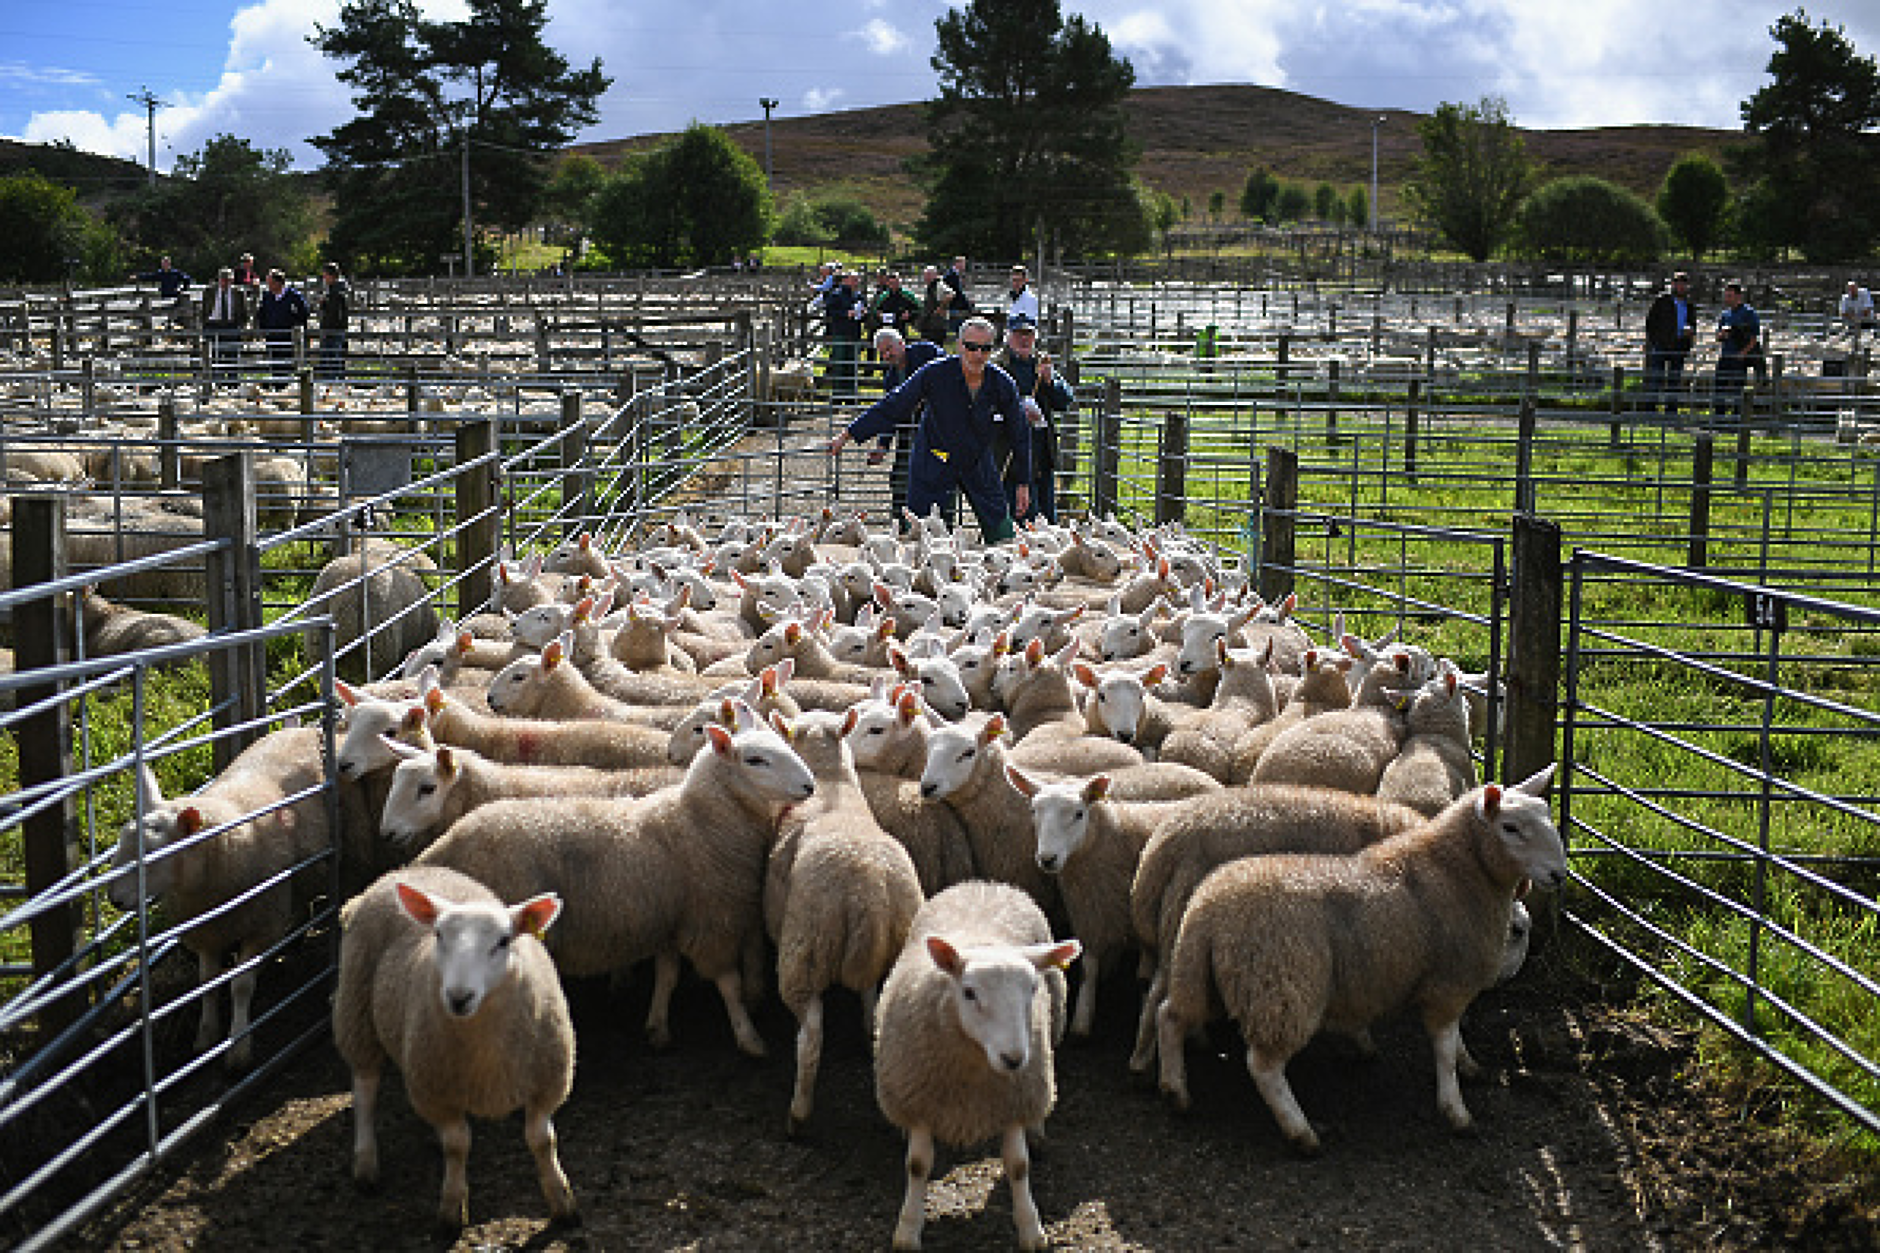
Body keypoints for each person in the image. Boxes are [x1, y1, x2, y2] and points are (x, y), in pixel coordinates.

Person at [828, 316, 1028, 541]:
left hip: (976, 458)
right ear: (960, 345)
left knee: (1001, 529)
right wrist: (847, 434)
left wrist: (1023, 482)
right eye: (972, 347)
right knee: (922, 530)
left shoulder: (1002, 383)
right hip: (934, 457)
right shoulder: (935, 373)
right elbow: (895, 403)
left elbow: (1019, 432)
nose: (978, 355)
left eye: (985, 348)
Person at [994, 312, 1073, 523]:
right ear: (1008, 336)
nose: (1024, 339)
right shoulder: (998, 366)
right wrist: (1015, 412)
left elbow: (1065, 400)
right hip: (1009, 452)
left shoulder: (1042, 364)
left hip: (1040, 451)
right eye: (1019, 334)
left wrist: (1050, 382)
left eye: (1028, 334)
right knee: (1016, 514)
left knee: (1046, 518)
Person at [865, 327, 944, 525]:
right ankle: (901, 523)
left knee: (937, 474)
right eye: (882, 352)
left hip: (938, 428)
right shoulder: (891, 378)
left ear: (902, 344)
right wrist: (882, 445)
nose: (887, 355)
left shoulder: (926, 352)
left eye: (889, 349)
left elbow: (947, 371)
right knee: (901, 475)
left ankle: (939, 522)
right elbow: (890, 411)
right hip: (909, 431)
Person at [1642, 271, 1697, 413]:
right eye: (1678, 284)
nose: (1681, 287)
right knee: (1656, 378)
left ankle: (1671, 410)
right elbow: (1650, 322)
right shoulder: (1662, 300)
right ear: (1673, 284)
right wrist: (1655, 341)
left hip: (1679, 344)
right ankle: (1650, 410)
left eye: (1683, 284)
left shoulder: (1689, 304)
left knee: (1675, 380)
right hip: (1661, 344)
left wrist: (1690, 335)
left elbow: (1693, 323)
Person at [254, 268, 310, 382]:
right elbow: (261, 314)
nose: (269, 286)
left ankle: (287, 385)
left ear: (278, 283)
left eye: (271, 283)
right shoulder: (267, 296)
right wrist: (263, 329)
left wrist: (295, 324)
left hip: (288, 336)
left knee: (288, 362)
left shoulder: (293, 296)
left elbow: (304, 312)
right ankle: (276, 385)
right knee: (274, 362)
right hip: (272, 336)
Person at [1714, 282, 1760, 416]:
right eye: (1726, 295)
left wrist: (1743, 353)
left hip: (1739, 356)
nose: (1726, 298)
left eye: (1730, 296)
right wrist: (1721, 334)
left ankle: (1736, 418)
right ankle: (1719, 417)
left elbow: (1754, 337)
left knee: (1737, 389)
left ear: (1738, 297)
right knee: (1719, 387)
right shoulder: (1725, 314)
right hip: (1726, 354)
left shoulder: (1749, 313)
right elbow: (1718, 336)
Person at [823, 268, 866, 400]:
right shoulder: (836, 295)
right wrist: (845, 314)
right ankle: (838, 395)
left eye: (857, 280)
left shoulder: (858, 296)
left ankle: (851, 396)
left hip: (854, 333)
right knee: (840, 364)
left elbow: (864, 310)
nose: (856, 282)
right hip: (841, 332)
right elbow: (830, 312)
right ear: (845, 280)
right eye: (854, 279)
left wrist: (863, 313)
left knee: (852, 364)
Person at [199, 267, 248, 379]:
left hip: (231, 326)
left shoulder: (238, 293)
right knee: (214, 356)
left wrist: (242, 327)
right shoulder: (209, 291)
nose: (225, 282)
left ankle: (232, 382)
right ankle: (216, 381)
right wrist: (204, 324)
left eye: (228, 280)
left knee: (232, 355)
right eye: (223, 280)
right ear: (219, 279)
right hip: (213, 325)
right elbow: (203, 309)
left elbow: (244, 312)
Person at [316, 261, 350, 380]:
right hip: (329, 328)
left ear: (332, 276)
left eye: (325, 275)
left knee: (334, 357)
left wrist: (324, 303)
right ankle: (330, 381)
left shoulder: (338, 292)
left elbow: (338, 312)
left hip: (334, 329)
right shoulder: (331, 290)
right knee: (328, 357)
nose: (324, 278)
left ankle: (334, 382)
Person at [870, 270, 921, 342]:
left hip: (901, 327)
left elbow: (919, 309)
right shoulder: (884, 296)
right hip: (886, 327)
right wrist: (879, 314)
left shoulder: (907, 295)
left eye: (895, 283)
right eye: (891, 283)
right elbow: (875, 310)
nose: (893, 285)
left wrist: (909, 314)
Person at [942, 255, 974, 341]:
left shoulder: (954, 274)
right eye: (963, 264)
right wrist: (968, 305)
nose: (964, 266)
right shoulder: (951, 276)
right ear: (957, 264)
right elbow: (957, 293)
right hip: (953, 305)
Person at [918, 264, 950, 345]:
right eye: (925, 275)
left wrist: (940, 307)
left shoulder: (939, 285)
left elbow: (950, 295)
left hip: (937, 325)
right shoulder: (930, 287)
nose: (926, 278)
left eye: (928, 275)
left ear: (934, 275)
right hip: (929, 323)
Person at [1005, 264, 1040, 329]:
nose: (1016, 283)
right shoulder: (1011, 297)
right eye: (1014, 280)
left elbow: (1031, 323)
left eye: (1019, 280)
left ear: (1025, 280)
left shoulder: (1030, 299)